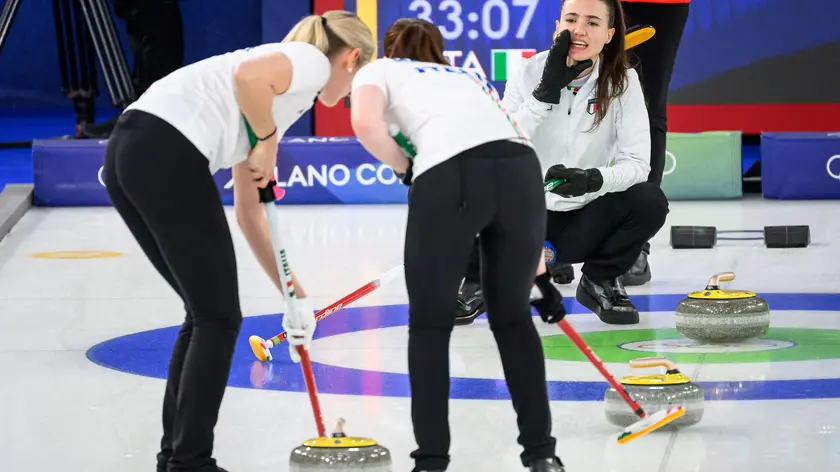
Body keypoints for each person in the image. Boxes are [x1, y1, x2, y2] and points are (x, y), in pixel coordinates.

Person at [101, 11, 374, 472]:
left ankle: (176, 457)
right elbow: (251, 78)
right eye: (358, 78)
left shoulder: (284, 98)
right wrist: (265, 139)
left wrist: (294, 294)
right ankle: (190, 462)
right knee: (218, 317)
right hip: (165, 151)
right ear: (351, 59)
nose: (349, 95)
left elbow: (250, 213)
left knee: (205, 312)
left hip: (134, 152)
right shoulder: (309, 62)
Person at [350, 17, 568, 472]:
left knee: (429, 327)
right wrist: (541, 277)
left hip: (450, 176)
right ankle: (542, 456)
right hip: (521, 172)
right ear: (438, 50)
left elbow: (366, 125)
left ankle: (431, 461)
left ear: (389, 49)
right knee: (512, 322)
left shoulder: (379, 70)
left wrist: (405, 167)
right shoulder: (468, 77)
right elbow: (505, 149)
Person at [454, 0, 669, 327]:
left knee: (649, 201)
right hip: (521, 220)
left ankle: (599, 280)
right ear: (557, 27)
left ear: (610, 35)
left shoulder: (623, 81)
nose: (580, 30)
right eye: (571, 19)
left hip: (583, 222)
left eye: (593, 23)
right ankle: (478, 279)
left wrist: (593, 180)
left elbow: (638, 164)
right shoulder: (527, 72)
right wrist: (543, 94)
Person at [618, 0, 691, 286]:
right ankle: (563, 232)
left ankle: (635, 243)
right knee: (582, 98)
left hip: (660, 5)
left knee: (648, 111)